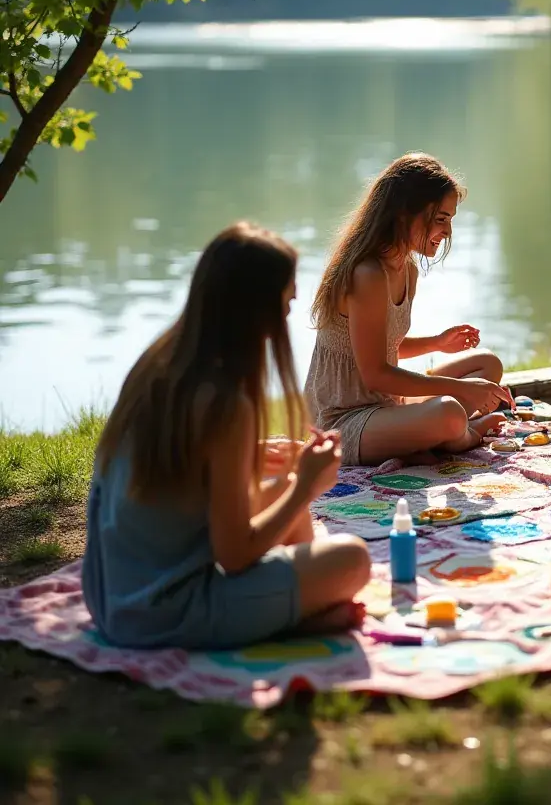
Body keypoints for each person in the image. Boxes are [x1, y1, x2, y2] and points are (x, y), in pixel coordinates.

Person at [83, 222, 371, 649]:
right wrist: (306, 487)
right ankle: (291, 618)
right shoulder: (226, 402)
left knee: (285, 500)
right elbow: (234, 556)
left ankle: (285, 605)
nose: (288, 317)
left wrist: (250, 459)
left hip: (109, 599)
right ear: (258, 309)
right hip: (166, 613)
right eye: (287, 305)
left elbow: (172, 464)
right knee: (352, 560)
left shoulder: (160, 364)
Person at [306, 152, 509, 466]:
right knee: (450, 412)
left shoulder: (406, 269)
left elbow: (386, 348)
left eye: (450, 220)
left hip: (387, 405)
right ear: (404, 213)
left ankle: (435, 437)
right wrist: (460, 390)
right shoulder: (368, 274)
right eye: (441, 219)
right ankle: (465, 435)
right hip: (343, 423)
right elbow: (374, 373)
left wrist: (437, 343)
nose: (448, 232)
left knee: (486, 364)